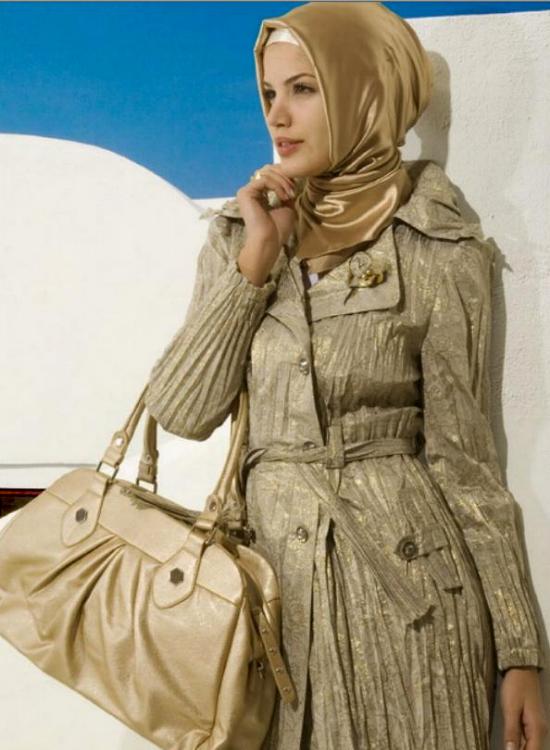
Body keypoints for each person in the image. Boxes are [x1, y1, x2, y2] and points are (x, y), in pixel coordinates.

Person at [144, 3, 548, 748]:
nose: (278, 115)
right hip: (272, 604)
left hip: (414, 608)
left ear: (366, 92)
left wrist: (521, 651)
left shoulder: (437, 245)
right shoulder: (240, 235)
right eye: (270, 93)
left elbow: (466, 463)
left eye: (304, 89)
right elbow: (182, 410)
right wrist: (257, 262)